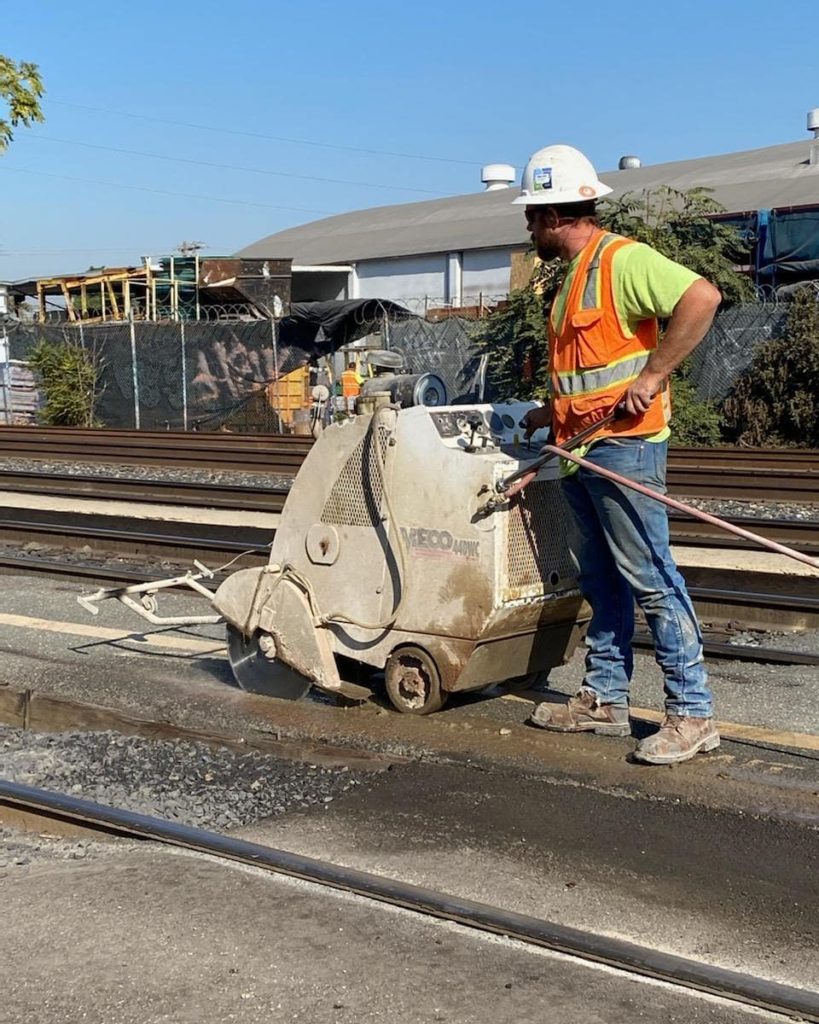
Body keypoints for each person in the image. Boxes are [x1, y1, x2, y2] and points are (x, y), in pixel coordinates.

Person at [514, 144, 722, 765]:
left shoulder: (622, 262)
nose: (527, 227)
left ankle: (693, 713)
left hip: (625, 450)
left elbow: (702, 298)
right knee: (603, 579)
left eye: (532, 215)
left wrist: (655, 376)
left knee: (651, 579)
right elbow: (593, 369)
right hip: (581, 449)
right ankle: (605, 697)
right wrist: (552, 412)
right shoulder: (574, 275)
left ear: (555, 214)